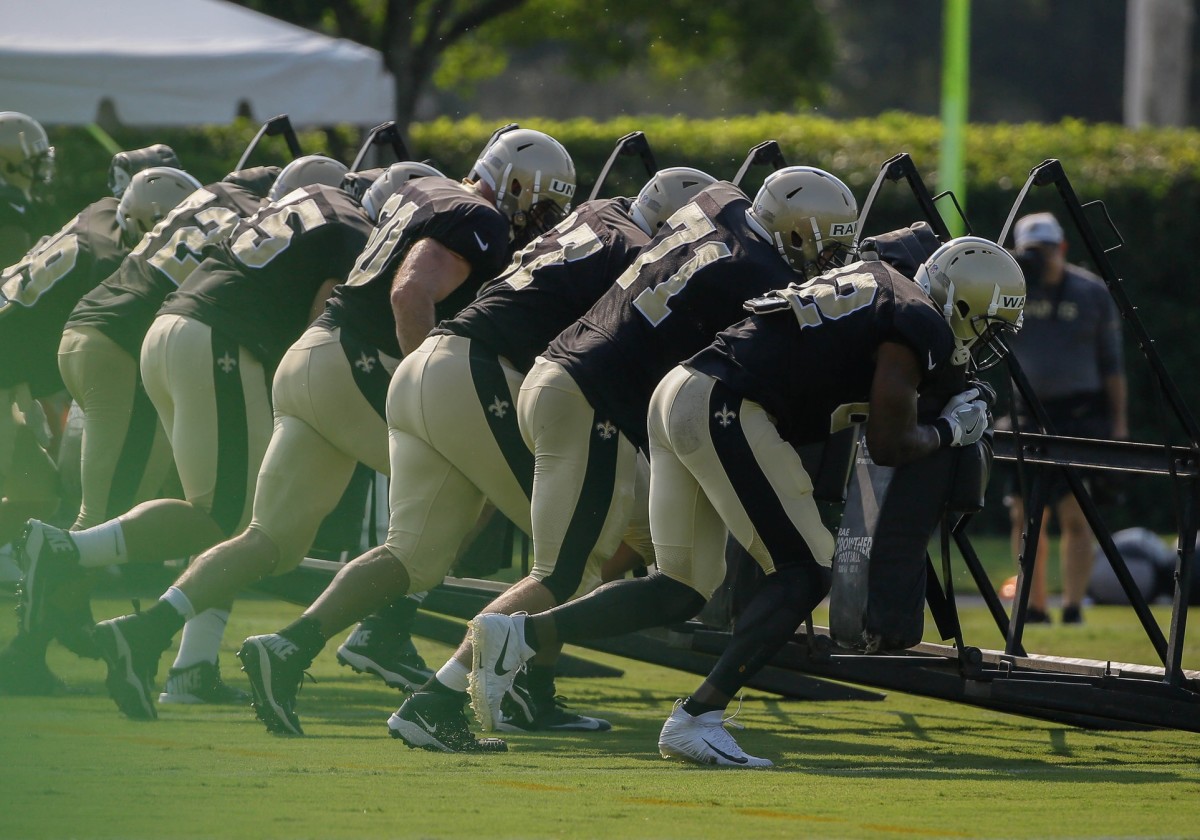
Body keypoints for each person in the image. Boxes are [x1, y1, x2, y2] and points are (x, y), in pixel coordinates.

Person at [468, 236, 1027, 767]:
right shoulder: (920, 320)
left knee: (682, 585)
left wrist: (954, 394)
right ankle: (699, 718)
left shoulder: (884, 286)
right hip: (727, 404)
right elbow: (888, 443)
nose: (985, 342)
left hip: (681, 390)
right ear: (961, 303)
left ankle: (519, 635)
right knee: (807, 569)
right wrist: (952, 430)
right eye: (988, 325)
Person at [84, 130, 574, 725]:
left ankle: (146, 632)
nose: (545, 219)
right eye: (544, 204)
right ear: (513, 183)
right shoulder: (478, 216)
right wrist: (425, 383)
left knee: (272, 541)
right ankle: (384, 639)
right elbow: (410, 292)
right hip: (355, 362)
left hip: (313, 358)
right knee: (452, 513)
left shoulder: (427, 195)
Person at [241, 167, 714, 748]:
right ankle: (446, 700)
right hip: (480, 373)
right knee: (565, 564)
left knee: (411, 556)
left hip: (431, 370)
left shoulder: (595, 221)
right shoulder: (639, 252)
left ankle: (288, 646)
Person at [16, 157, 379, 711]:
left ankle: (185, 661)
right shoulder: (345, 224)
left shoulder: (253, 210)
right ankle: (65, 580)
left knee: (221, 515)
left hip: (147, 333)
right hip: (181, 341)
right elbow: (316, 325)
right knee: (222, 516)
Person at [0, 165, 198, 693]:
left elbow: (39, 322)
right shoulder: (118, 264)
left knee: (42, 500)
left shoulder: (98, 216)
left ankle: (49, 630)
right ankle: (32, 644)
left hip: (11, 373)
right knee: (86, 514)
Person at [1004, 211, 1127, 625]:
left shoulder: (1091, 292)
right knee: (1025, 515)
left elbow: (1113, 365)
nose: (1043, 260)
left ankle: (1073, 607)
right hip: (1026, 414)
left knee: (1077, 515)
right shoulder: (1010, 292)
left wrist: (1119, 425)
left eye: (1049, 251)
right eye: (1032, 253)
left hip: (1079, 413)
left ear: (1063, 249)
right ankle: (1033, 606)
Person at [0, 111, 55, 267]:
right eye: (33, 163)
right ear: (6, 166)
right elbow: (12, 278)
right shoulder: (10, 207)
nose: (41, 169)